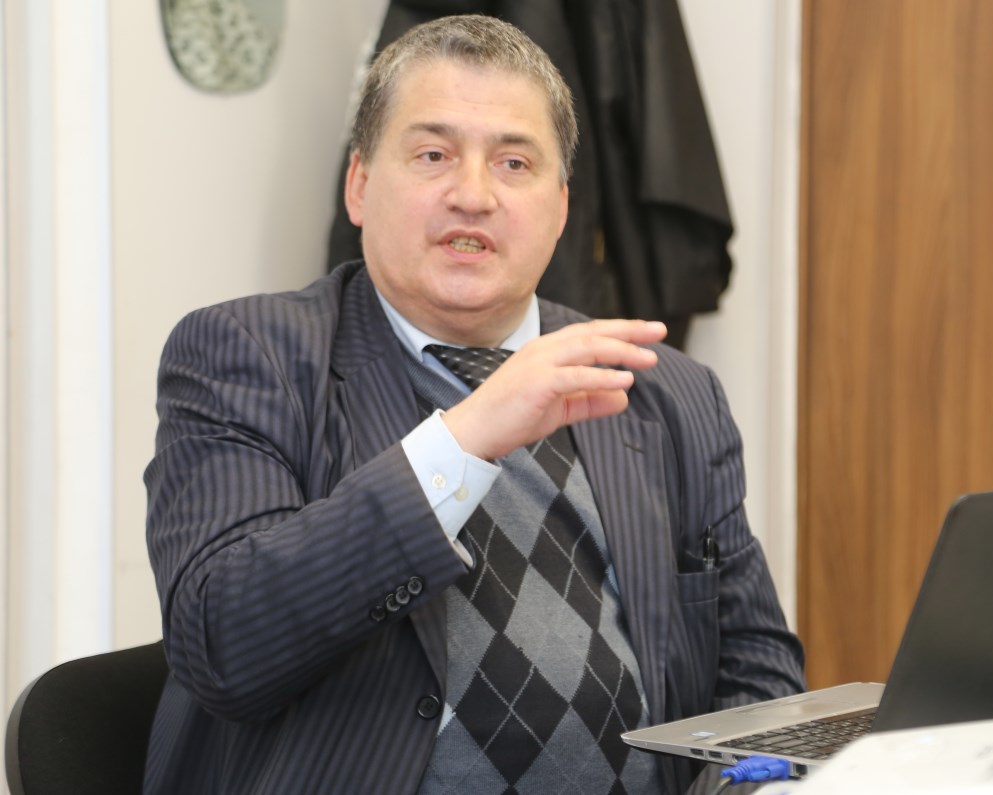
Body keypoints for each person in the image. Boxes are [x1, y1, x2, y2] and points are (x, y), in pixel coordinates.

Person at [143, 14, 805, 794]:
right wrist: (465, 439)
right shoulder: (245, 356)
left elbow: (757, 673)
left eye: (514, 163)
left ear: (561, 208)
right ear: (359, 185)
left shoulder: (665, 391)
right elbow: (222, 643)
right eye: (433, 155)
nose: (473, 195)